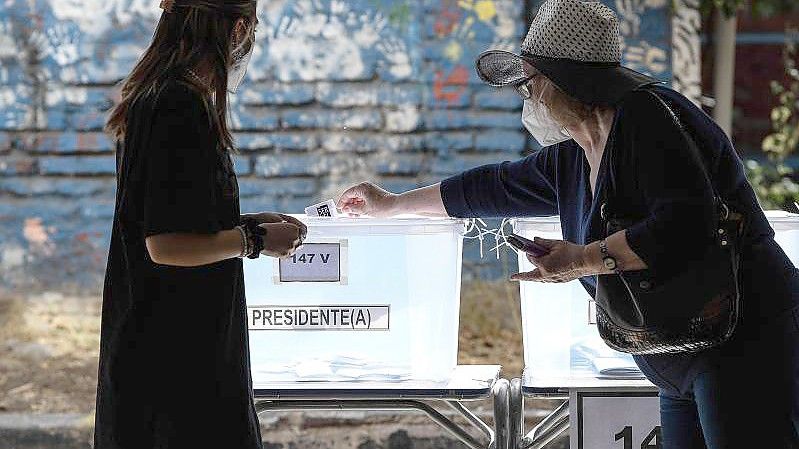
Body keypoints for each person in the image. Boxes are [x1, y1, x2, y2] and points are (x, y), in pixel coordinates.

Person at [339, 0, 799, 447]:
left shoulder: (647, 119)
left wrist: (581, 259)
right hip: (673, 350)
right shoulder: (575, 156)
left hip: (739, 338)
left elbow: (685, 226)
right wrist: (391, 205)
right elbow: (488, 188)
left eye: (532, 83)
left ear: (566, 82)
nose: (530, 97)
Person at [97, 1, 307, 448]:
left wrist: (249, 223)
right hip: (175, 367)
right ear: (237, 29)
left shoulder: (163, 98)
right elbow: (166, 245)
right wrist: (255, 239)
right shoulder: (176, 106)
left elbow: (176, 215)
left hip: (174, 356)